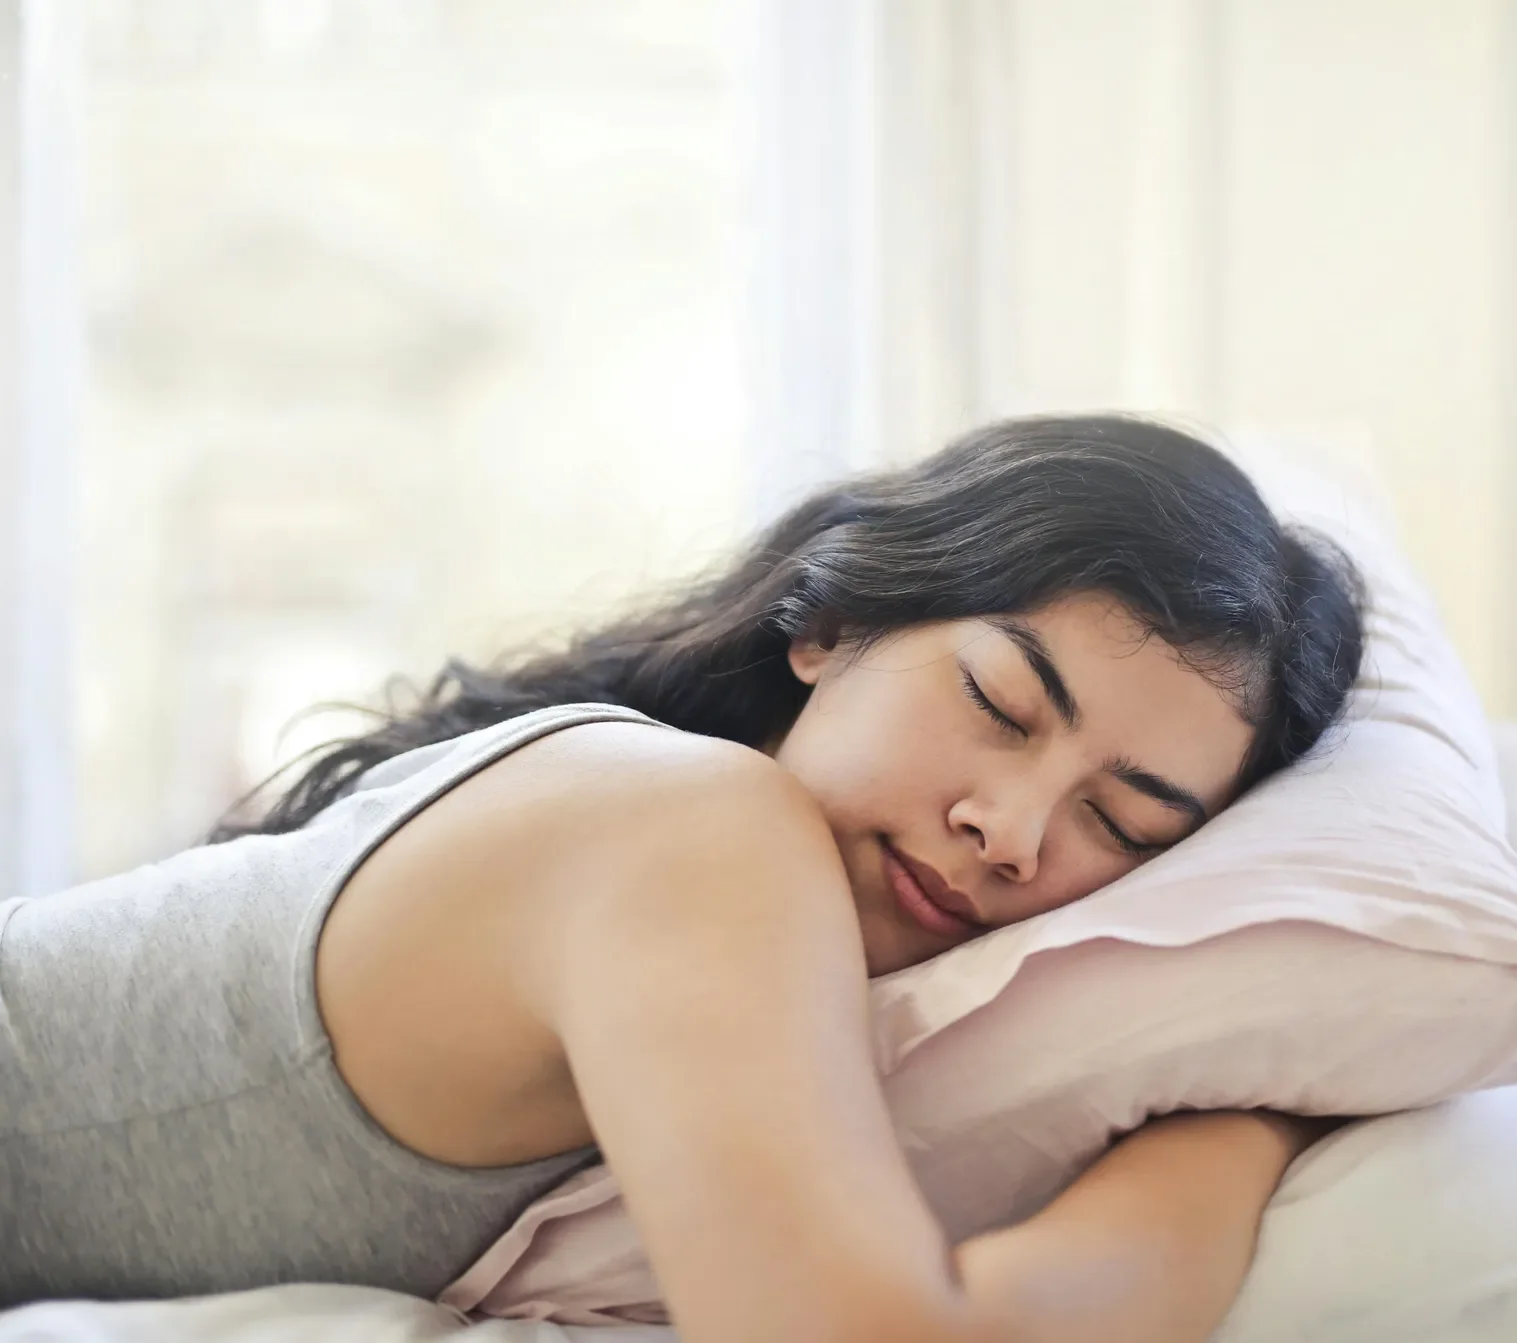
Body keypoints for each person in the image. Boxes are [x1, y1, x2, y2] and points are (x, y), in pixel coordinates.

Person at [0, 414, 1364, 1343]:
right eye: (1001, 705)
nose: (1013, 830)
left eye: (1121, 822)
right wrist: (1242, 1125)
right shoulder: (694, 826)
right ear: (832, 624)